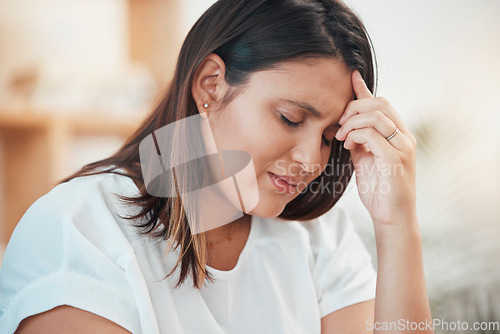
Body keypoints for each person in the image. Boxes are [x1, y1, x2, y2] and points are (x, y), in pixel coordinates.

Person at [0, 0, 433, 333]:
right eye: (290, 118)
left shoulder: (319, 239)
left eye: (327, 137)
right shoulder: (81, 228)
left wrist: (396, 225)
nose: (313, 161)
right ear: (211, 83)